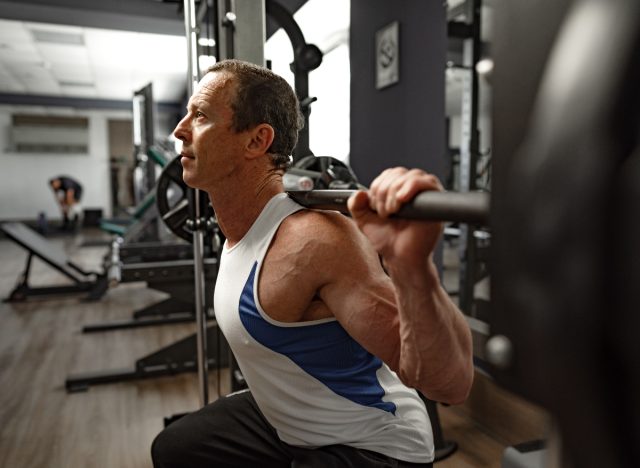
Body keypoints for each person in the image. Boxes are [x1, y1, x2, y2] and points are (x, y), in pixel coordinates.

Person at [151, 59, 473, 468]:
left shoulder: (315, 241)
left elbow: (448, 383)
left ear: (256, 141)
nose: (179, 130)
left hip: (371, 445)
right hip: (289, 425)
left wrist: (410, 265)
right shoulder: (240, 228)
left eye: (199, 115)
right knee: (176, 450)